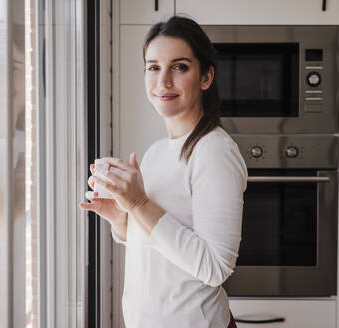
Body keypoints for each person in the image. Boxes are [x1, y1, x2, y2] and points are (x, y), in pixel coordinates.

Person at [80, 15, 247, 328]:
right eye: (153, 67)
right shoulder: (156, 152)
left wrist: (139, 205)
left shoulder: (214, 151)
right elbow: (164, 247)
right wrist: (123, 221)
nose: (163, 81)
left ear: (206, 77)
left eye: (180, 66)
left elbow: (214, 267)